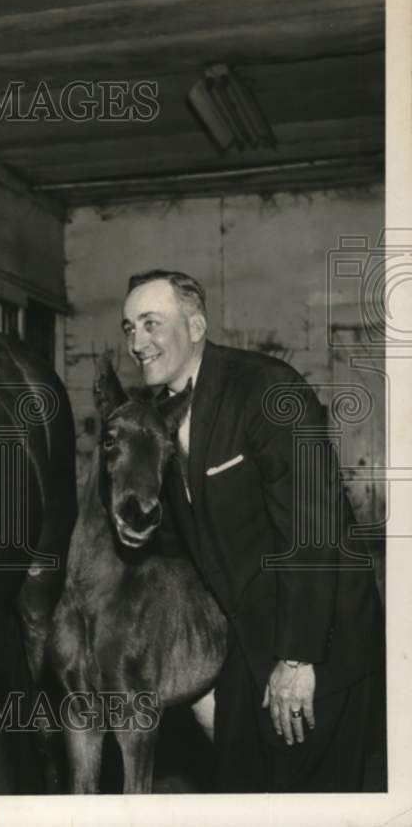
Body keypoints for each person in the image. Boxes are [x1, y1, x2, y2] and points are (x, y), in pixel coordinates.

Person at [121, 269, 384, 793]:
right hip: (247, 636)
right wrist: (195, 679)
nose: (137, 342)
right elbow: (182, 547)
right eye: (128, 328)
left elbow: (314, 530)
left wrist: (298, 660)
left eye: (151, 323)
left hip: (318, 635)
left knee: (310, 796)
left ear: (196, 325)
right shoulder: (158, 416)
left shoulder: (267, 390)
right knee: (238, 784)